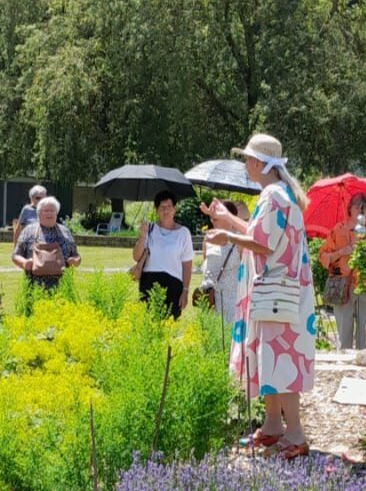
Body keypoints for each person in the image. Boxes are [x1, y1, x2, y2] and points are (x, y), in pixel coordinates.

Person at [203, 133, 315, 460]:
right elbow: (260, 234)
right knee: (272, 359)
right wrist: (227, 220)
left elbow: (261, 244)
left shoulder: (272, 196)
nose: (244, 164)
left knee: (280, 360)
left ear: (256, 162)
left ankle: (294, 433)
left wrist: (226, 234)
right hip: (281, 293)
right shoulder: (279, 194)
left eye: (247, 158)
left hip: (276, 293)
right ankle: (272, 427)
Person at [318, 193, 366, 350]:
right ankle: (344, 363)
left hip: (365, 286)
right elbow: (323, 256)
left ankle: (362, 363)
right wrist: (341, 252)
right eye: (357, 205)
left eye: (364, 207)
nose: (360, 209)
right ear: (349, 208)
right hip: (342, 285)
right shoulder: (338, 229)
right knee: (344, 331)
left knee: (365, 330)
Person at [133, 191, 194, 319]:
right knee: (147, 324)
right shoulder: (149, 229)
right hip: (149, 283)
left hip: (173, 286)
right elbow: (136, 257)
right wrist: (142, 236)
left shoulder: (184, 233)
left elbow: (187, 266)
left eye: (169, 207)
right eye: (162, 207)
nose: (166, 211)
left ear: (175, 209)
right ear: (156, 210)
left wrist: (185, 290)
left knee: (169, 325)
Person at [12, 196, 81, 291]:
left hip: (62, 287)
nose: (49, 213)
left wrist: (75, 261)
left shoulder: (65, 232)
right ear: (39, 213)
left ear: (56, 213)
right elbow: (15, 256)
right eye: (46, 211)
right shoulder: (29, 231)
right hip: (34, 288)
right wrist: (24, 263)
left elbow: (77, 256)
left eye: (52, 210)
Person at [200, 200, 244, 331]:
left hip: (233, 300)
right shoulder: (208, 238)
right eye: (212, 217)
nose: (213, 221)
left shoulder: (239, 239)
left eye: (217, 217)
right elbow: (205, 267)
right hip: (211, 300)